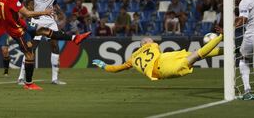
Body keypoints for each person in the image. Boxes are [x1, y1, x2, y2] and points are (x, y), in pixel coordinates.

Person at [0, 0, 91, 90]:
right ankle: (28, 84)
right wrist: (45, 12)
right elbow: (28, 14)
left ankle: (75, 38)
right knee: (30, 55)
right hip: (18, 31)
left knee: (44, 30)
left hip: (22, 25)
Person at [93, 33, 223, 81]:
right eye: (148, 39)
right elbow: (153, 48)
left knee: (195, 55)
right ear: (145, 43)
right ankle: (222, 37)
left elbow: (116, 68)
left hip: (163, 62)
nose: (150, 39)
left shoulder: (132, 58)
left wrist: (103, 65)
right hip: (161, 65)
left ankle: (229, 49)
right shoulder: (153, 45)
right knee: (196, 55)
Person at [17, 0, 66, 85]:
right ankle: (21, 77)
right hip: (38, 20)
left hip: (50, 21)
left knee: (55, 46)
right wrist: (26, 15)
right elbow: (25, 2)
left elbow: (54, 3)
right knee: (31, 48)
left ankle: (55, 78)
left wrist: (60, 12)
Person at [235, 0, 254, 100]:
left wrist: (227, 29)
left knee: (244, 58)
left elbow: (243, 20)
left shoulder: (244, 2)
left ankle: (247, 90)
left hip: (252, 35)